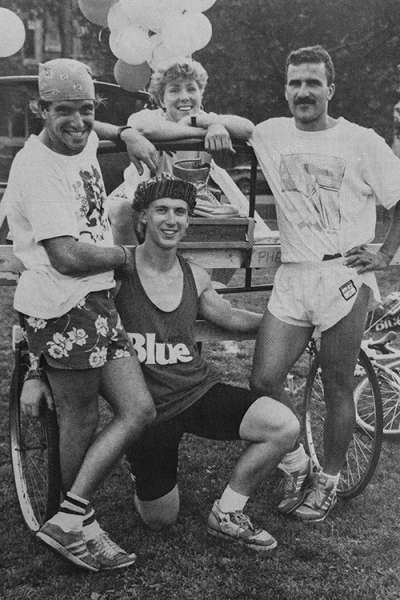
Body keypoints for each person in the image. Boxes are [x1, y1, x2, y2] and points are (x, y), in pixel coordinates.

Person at [4, 58, 156, 571]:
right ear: (39, 109)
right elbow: (66, 255)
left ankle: (68, 515)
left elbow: (99, 129)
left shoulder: (84, 136)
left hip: (95, 300)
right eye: (63, 111)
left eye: (86, 110)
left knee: (138, 409)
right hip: (61, 304)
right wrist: (123, 256)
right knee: (81, 418)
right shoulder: (36, 168)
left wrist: (129, 132)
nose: (78, 122)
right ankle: (73, 523)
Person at [250, 45, 400, 522]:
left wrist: (385, 253)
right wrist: (209, 124)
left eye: (313, 83)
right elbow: (224, 124)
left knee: (337, 383)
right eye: (295, 83)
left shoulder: (362, 141)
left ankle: (328, 481)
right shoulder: (270, 134)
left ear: (330, 90)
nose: (303, 92)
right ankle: (294, 461)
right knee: (264, 378)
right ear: (285, 89)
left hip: (343, 276)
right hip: (294, 274)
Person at [114, 173, 299, 552]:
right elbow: (116, 212)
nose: (172, 219)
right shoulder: (119, 270)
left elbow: (228, 315)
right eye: (161, 210)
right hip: (146, 411)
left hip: (197, 392)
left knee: (283, 424)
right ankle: (139, 466)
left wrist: (287, 325)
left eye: (180, 212)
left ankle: (228, 512)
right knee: (160, 520)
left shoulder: (194, 275)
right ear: (143, 217)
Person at [106, 57, 254, 245]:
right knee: (121, 210)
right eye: (175, 90)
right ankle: (133, 271)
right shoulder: (149, 117)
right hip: (142, 197)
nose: (184, 96)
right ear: (161, 99)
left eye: (191, 89)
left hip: (192, 202)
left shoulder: (205, 119)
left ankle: (208, 275)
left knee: (235, 229)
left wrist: (206, 123)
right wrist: (205, 130)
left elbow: (248, 129)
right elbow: (141, 128)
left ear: (201, 95)